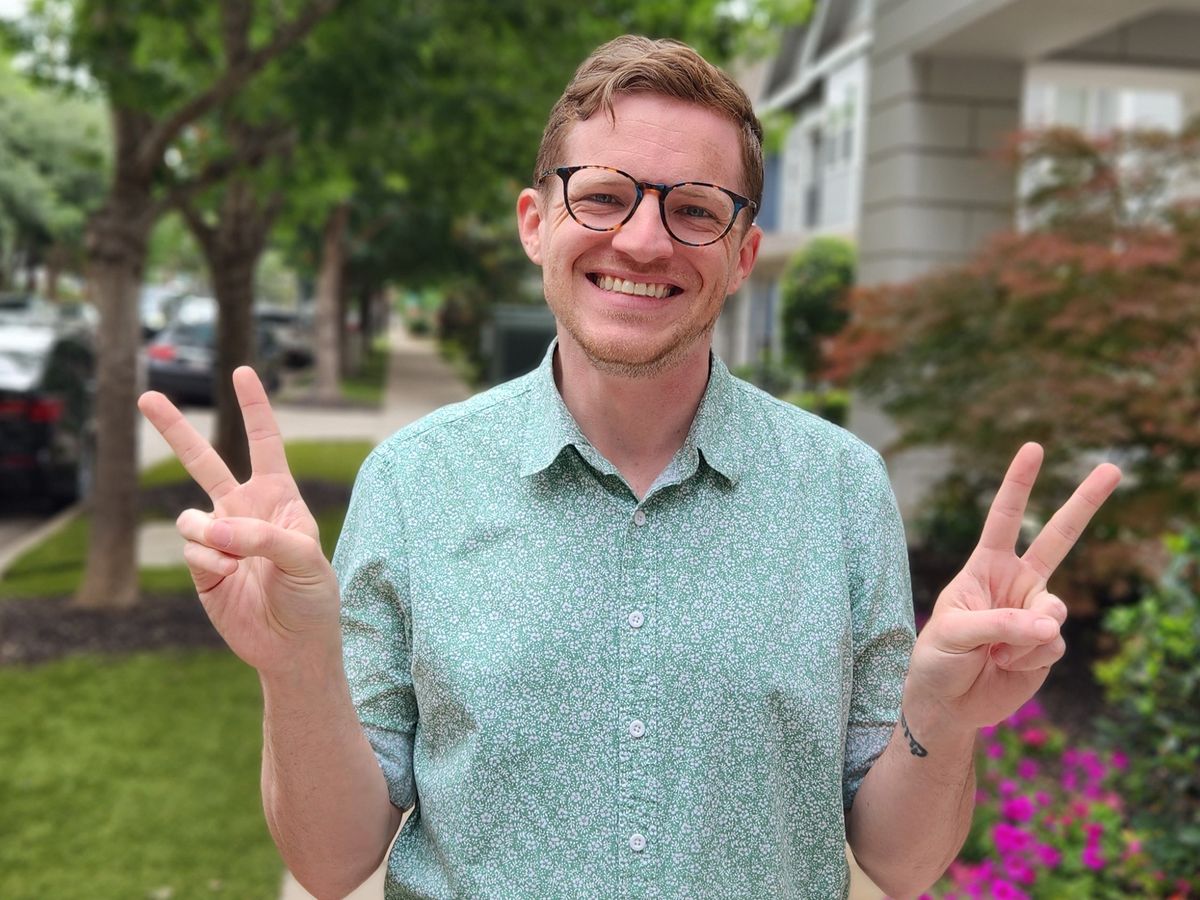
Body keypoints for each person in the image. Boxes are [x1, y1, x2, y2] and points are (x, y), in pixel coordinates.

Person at [139, 35, 1122, 900]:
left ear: (744, 254)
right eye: (603, 196)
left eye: (695, 209)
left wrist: (942, 716)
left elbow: (900, 865)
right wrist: (295, 667)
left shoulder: (840, 490)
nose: (643, 240)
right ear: (536, 222)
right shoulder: (414, 482)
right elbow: (330, 863)